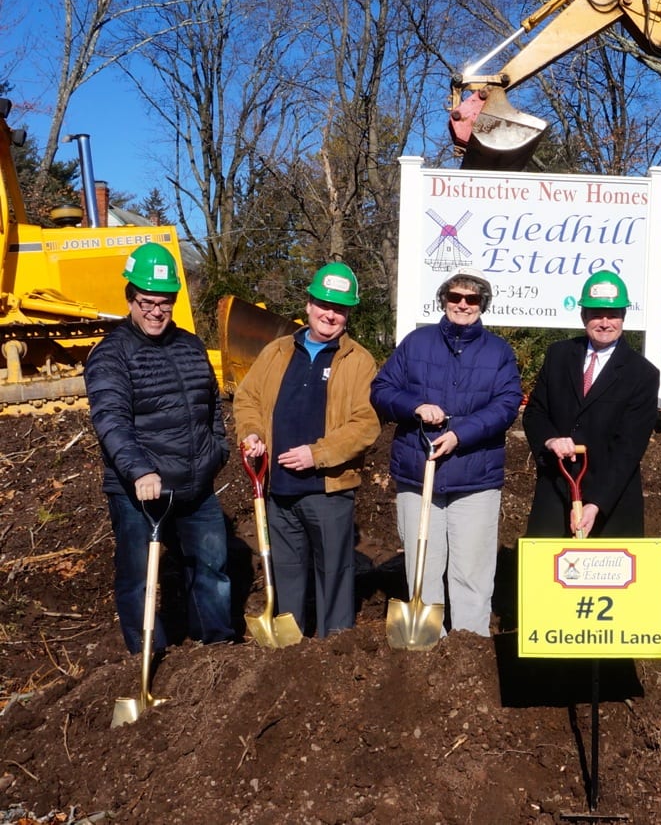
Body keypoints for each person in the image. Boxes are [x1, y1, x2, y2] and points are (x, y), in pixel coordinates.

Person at [85, 242, 234, 654]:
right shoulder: (110, 354)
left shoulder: (190, 345)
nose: (156, 311)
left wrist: (216, 451)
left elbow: (211, 406)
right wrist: (139, 471)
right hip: (140, 491)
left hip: (196, 484)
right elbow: (110, 420)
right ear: (131, 299)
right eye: (147, 302)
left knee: (212, 570)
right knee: (139, 579)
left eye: (164, 302)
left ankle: (216, 653)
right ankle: (147, 656)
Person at [370, 267, 522, 636]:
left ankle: (469, 650)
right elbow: (381, 389)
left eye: (471, 299)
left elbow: (507, 403)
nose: (463, 305)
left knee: (472, 570)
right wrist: (416, 406)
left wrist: (460, 434)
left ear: (482, 305)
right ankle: (428, 648)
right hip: (418, 473)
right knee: (423, 565)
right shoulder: (416, 343)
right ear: (444, 300)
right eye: (455, 297)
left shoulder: (499, 352)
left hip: (475, 477)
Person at [235, 263, 381, 638]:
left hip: (328, 490)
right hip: (278, 490)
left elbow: (365, 425)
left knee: (334, 577)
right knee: (287, 576)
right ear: (309, 303)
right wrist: (252, 434)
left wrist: (317, 454)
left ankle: (333, 655)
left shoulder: (358, 361)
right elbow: (248, 398)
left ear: (348, 314)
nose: (330, 314)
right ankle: (289, 658)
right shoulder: (277, 352)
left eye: (340, 308)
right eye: (323, 304)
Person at [524, 271, 660, 538]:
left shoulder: (642, 374)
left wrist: (596, 503)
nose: (605, 322)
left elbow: (629, 448)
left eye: (613, 315)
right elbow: (535, 412)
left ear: (623, 317)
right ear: (584, 316)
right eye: (597, 313)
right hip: (556, 487)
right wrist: (550, 440)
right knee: (546, 575)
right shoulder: (558, 356)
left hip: (611, 499)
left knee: (604, 579)